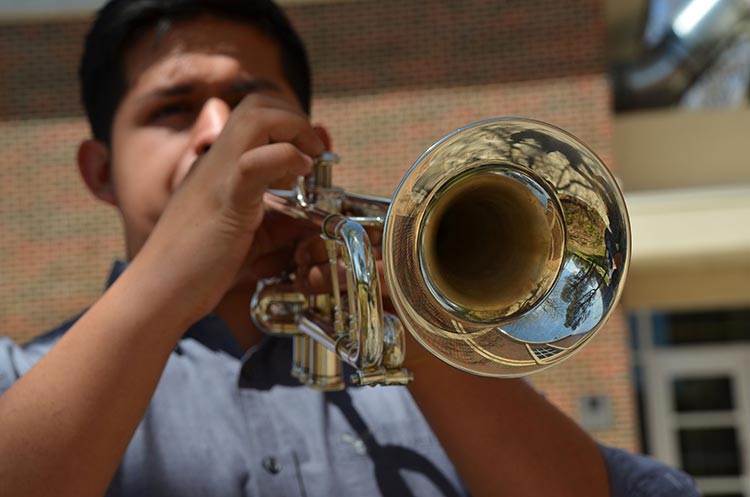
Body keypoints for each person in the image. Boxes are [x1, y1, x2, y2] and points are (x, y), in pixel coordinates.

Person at [0, 1, 700, 496]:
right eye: (172, 110)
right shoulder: (22, 377)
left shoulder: (422, 378)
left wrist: (412, 312)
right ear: (99, 173)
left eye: (250, 104)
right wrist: (167, 281)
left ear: (314, 147)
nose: (218, 132)